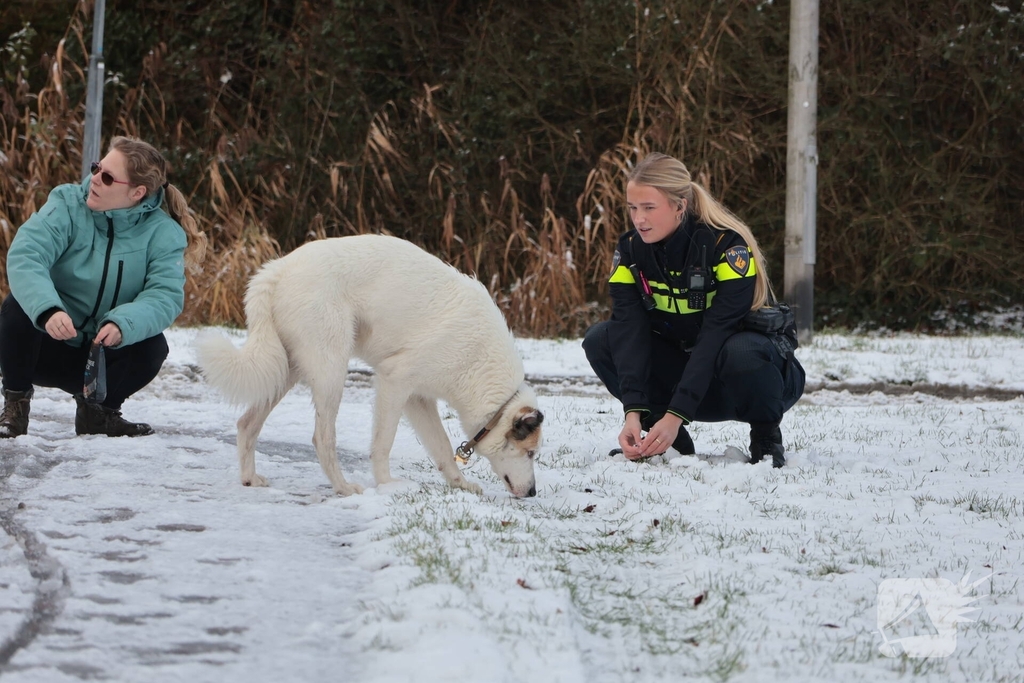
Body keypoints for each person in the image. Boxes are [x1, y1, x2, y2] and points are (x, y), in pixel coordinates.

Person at [583, 152, 804, 467]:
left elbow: (715, 335)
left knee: (742, 349)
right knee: (601, 337)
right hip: (686, 382)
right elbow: (627, 333)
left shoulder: (728, 248)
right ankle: (668, 442)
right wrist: (634, 410)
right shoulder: (630, 251)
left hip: (748, 381)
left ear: (679, 206)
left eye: (649, 208)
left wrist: (677, 414)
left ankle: (766, 437)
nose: (639, 219)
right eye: (633, 208)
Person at [0, 136, 207, 438]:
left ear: (137, 192)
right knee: (17, 308)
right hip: (46, 346)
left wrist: (124, 324)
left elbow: (164, 296)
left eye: (108, 177)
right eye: (97, 168)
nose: (95, 179)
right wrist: (48, 310)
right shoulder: (66, 203)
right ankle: (15, 409)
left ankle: (98, 413)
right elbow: (26, 255)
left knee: (153, 347)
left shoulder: (164, 235)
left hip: (100, 361)